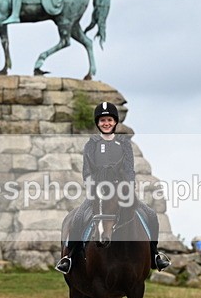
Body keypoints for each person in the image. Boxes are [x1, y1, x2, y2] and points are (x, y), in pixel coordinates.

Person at [55, 102, 171, 274]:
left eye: (109, 120)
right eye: (102, 120)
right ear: (98, 123)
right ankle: (69, 257)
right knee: (78, 217)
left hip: (121, 192)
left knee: (151, 215)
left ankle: (154, 254)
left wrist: (127, 187)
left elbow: (129, 169)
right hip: (98, 194)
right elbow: (87, 171)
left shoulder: (124, 143)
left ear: (115, 121)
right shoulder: (91, 144)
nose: (106, 123)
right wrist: (92, 187)